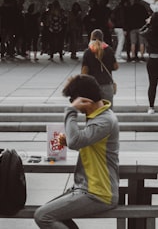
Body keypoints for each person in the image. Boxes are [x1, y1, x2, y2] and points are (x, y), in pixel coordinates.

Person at [33, 75, 119, 229]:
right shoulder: (98, 117)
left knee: (43, 216)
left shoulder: (104, 120)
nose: (72, 103)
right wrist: (70, 139)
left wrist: (71, 111)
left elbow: (75, 142)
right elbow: (81, 142)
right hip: (88, 188)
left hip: (99, 193)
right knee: (51, 212)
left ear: (84, 99)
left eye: (73, 99)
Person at [81, 29, 118, 102]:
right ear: (102, 38)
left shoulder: (88, 52)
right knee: (108, 111)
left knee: (93, 111)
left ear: (91, 38)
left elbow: (84, 71)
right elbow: (115, 66)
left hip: (92, 86)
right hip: (107, 84)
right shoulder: (109, 50)